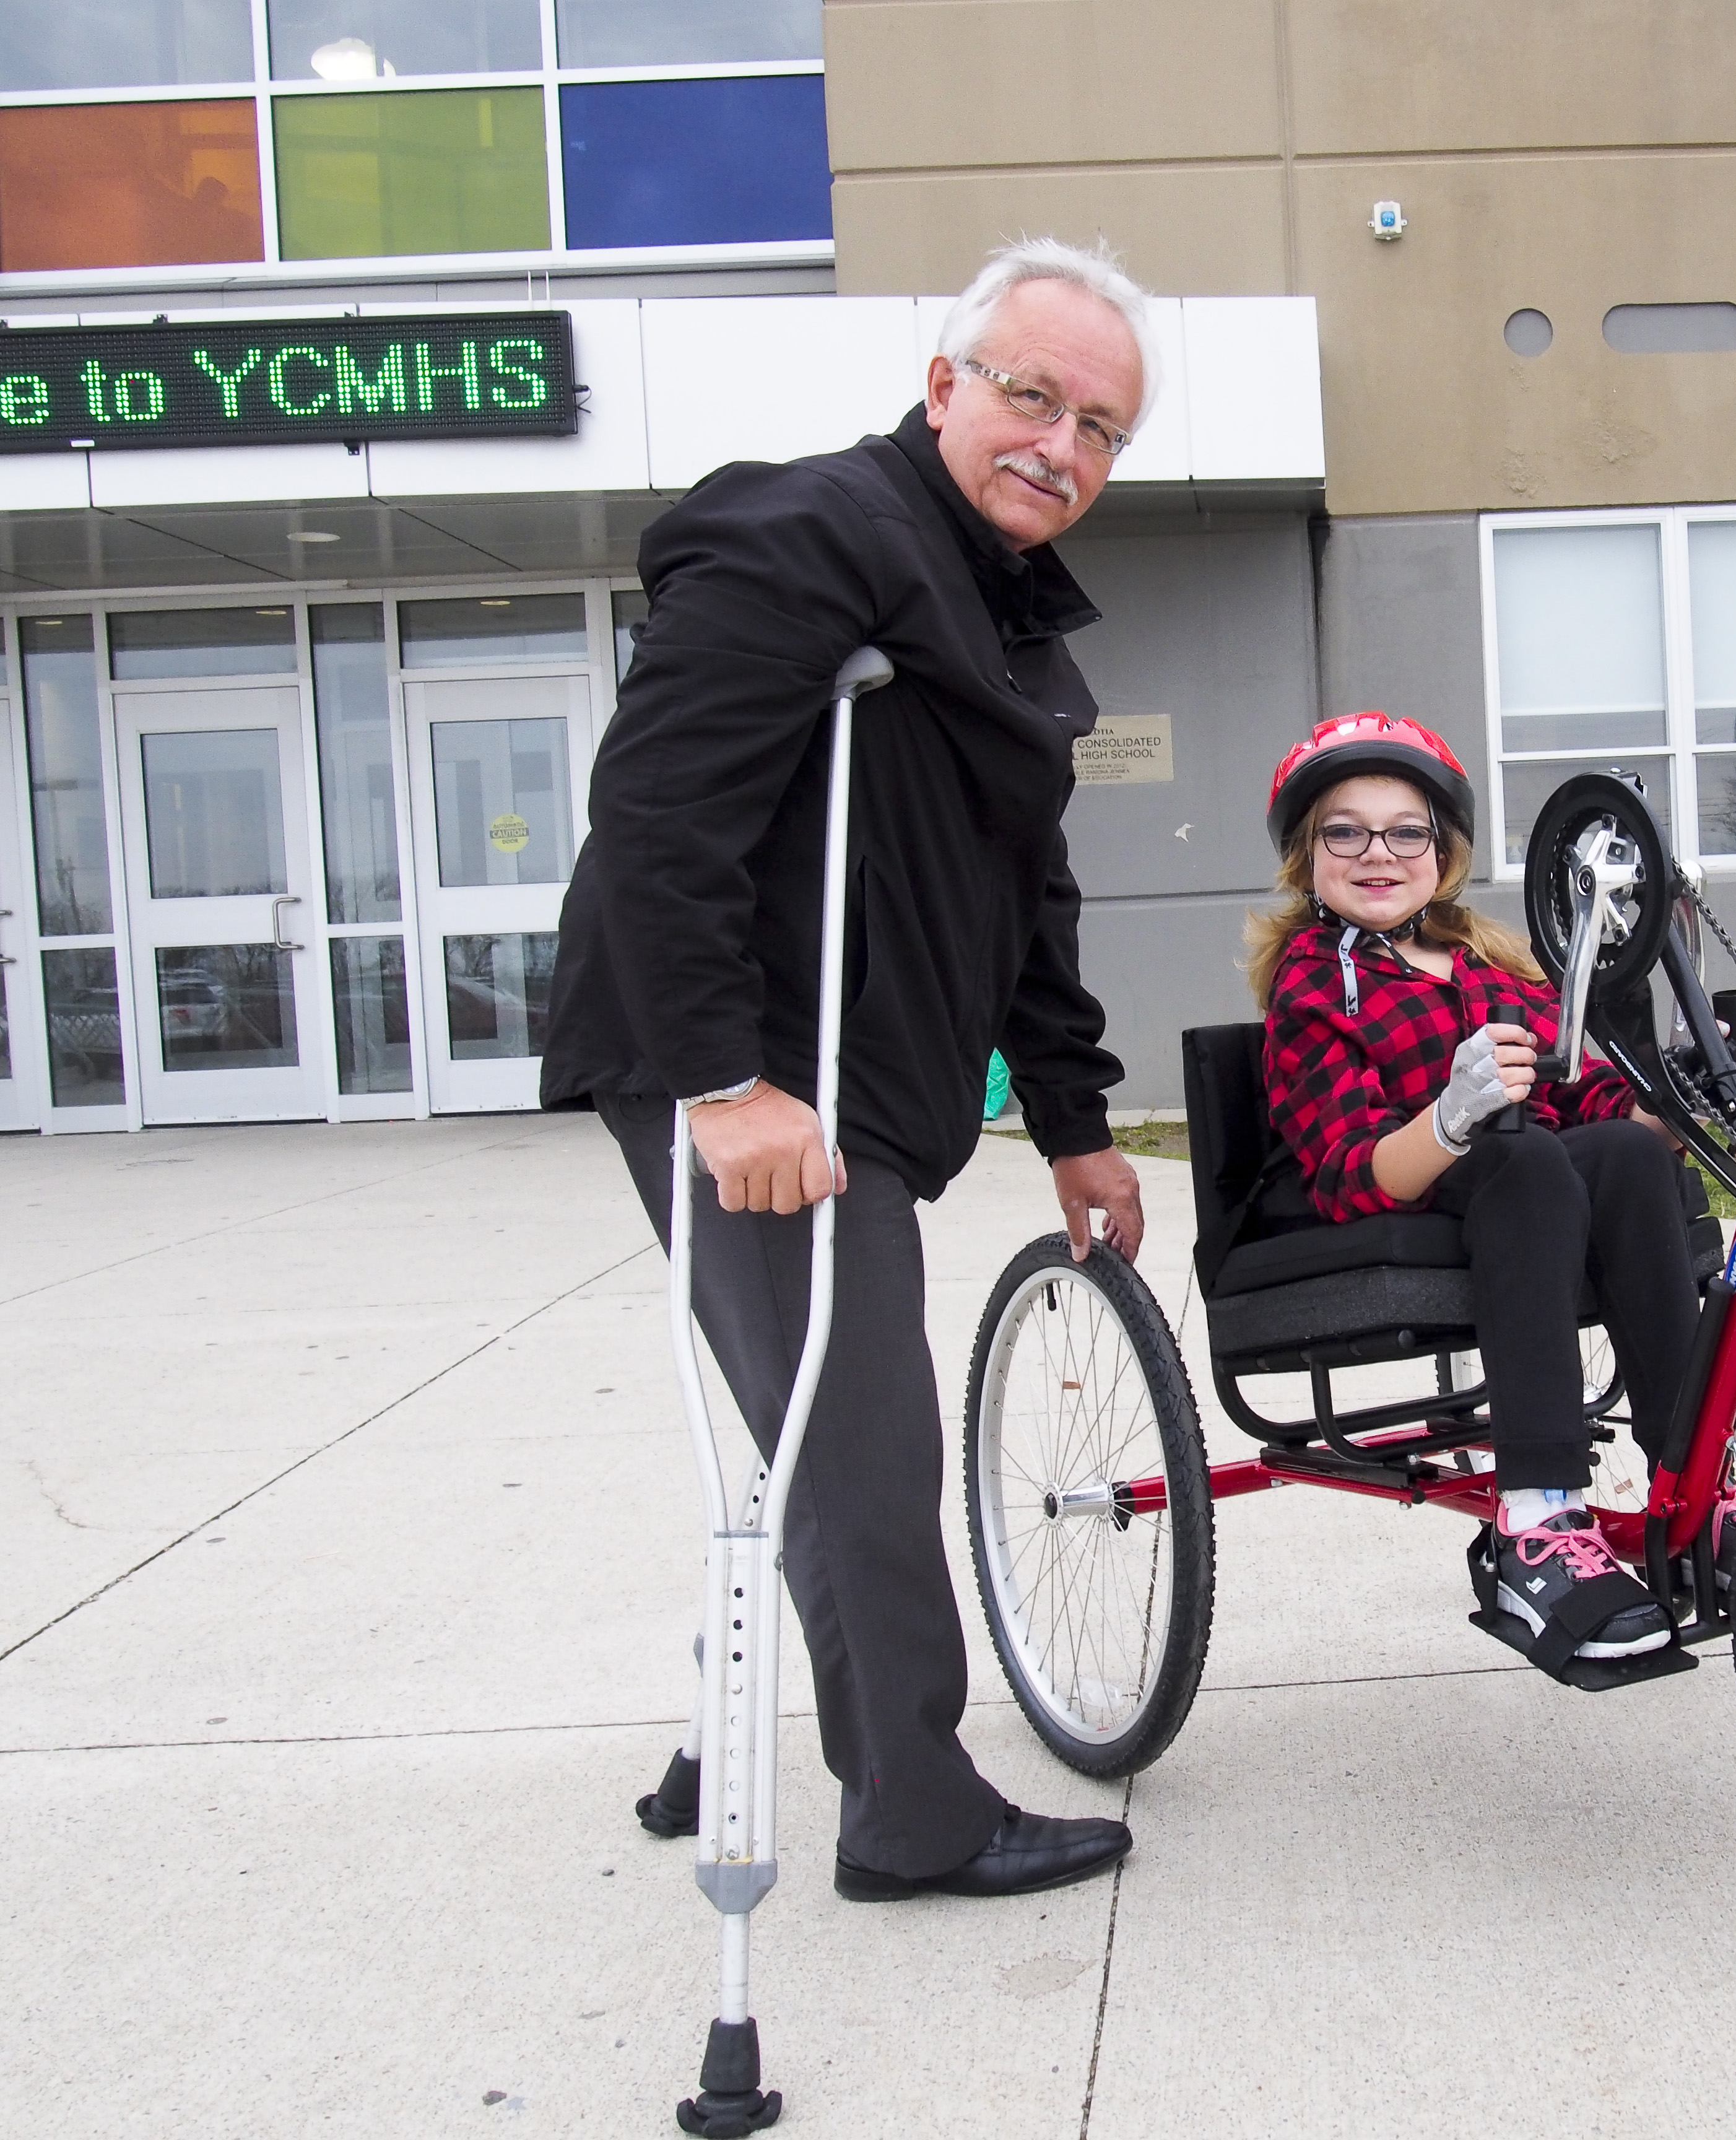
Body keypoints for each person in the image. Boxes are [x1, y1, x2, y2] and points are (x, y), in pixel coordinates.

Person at [540, 237, 1157, 1902]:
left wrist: (1078, 1125)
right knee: (856, 1425)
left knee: (804, 1410)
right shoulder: (810, 528)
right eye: (1033, 395)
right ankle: (912, 1807)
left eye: (1103, 427)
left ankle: (717, 1725)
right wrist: (721, 1082)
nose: (1063, 445)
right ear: (946, 384)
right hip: (754, 1072)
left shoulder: (1007, 611)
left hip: (856, 1073)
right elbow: (660, 811)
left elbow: (1030, 891)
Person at [1248, 715, 1736, 1667]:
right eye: (1344, 832)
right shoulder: (1316, 987)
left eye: (1407, 832)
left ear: (1442, 853)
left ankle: (1702, 1490)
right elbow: (1349, 1170)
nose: (1377, 854)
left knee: (1629, 1156)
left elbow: (1586, 1091)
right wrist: (1451, 1117)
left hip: (1537, 1188)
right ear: (1305, 854)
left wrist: (1674, 1095)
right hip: (1421, 1191)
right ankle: (1538, 1520)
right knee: (1523, 1158)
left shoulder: (1489, 963)